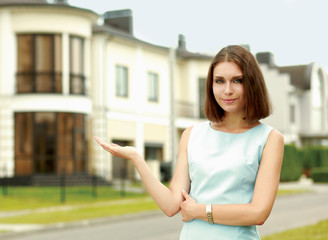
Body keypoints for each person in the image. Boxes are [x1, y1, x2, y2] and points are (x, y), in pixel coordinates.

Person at [94, 45, 284, 239]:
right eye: (219, 81)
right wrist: (136, 158)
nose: (227, 90)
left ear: (252, 84)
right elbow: (171, 205)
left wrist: (200, 211)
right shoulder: (192, 135)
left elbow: (258, 213)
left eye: (237, 80)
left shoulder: (269, 138)